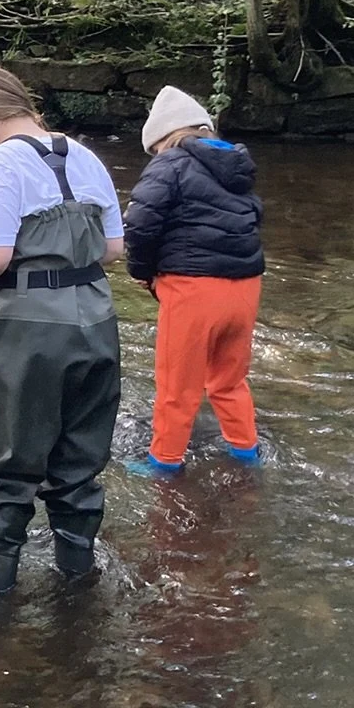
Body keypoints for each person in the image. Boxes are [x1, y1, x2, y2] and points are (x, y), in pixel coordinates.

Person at [0, 66, 125, 594]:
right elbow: (114, 250)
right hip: (97, 324)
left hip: (28, 332)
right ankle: (78, 585)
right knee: (77, 469)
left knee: (9, 475)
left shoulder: (1, 162)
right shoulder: (85, 155)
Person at [122, 84, 264, 479]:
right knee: (229, 379)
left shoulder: (169, 164)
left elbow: (140, 223)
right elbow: (254, 219)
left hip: (194, 289)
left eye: (153, 150)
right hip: (247, 287)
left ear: (165, 138)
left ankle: (164, 464)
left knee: (176, 387)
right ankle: (246, 452)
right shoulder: (238, 167)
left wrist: (142, 272)